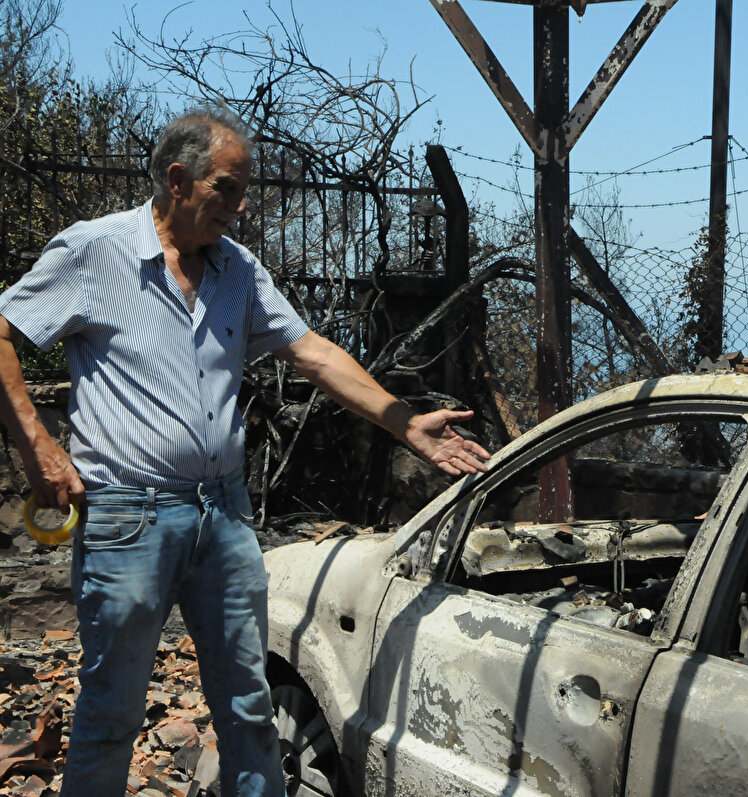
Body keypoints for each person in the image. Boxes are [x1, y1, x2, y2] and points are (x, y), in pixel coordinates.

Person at [0, 106, 490, 796]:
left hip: (222, 515)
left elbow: (312, 351)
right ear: (178, 179)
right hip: (126, 518)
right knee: (111, 712)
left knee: (250, 706)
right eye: (227, 188)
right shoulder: (93, 252)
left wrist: (404, 422)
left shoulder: (237, 269)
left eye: (243, 188)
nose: (241, 204)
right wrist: (39, 448)